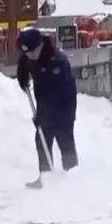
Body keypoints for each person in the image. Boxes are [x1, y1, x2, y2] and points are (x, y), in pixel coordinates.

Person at [16, 29, 79, 189]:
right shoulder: (31, 55)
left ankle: (74, 180)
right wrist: (22, 75)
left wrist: (42, 117)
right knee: (42, 139)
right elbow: (24, 60)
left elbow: (57, 95)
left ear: (41, 45)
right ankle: (46, 178)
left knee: (64, 140)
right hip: (46, 104)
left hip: (64, 105)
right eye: (27, 53)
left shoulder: (57, 62)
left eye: (32, 52)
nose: (29, 55)